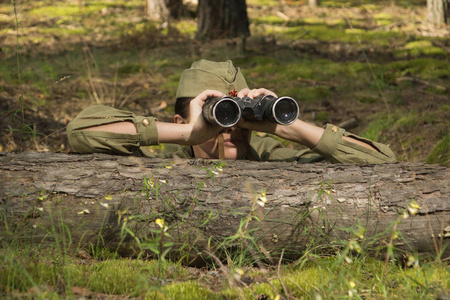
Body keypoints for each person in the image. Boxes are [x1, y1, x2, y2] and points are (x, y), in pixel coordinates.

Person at [67, 59, 396, 164]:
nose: (231, 127)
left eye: (239, 114)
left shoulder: (267, 154)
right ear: (183, 120)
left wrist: (285, 126)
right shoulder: (166, 157)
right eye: (221, 113)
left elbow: (383, 162)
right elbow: (79, 133)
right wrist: (186, 135)